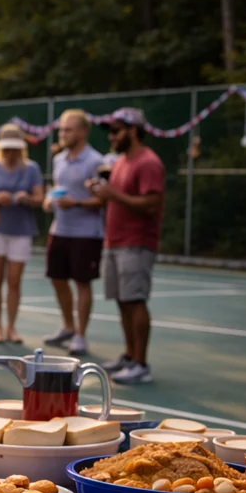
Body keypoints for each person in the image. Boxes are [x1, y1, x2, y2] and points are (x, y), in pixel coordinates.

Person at [90, 107, 165, 385]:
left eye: (116, 131)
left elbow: (151, 204)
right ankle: (130, 356)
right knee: (123, 300)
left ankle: (141, 364)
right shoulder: (121, 162)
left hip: (136, 241)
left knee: (135, 300)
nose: (111, 137)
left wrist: (113, 195)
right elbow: (116, 197)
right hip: (115, 240)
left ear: (133, 130)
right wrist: (101, 193)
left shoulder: (148, 162)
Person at [42, 109, 105, 356]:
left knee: (82, 283)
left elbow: (102, 200)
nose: (63, 133)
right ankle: (68, 326)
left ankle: (80, 335)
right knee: (57, 278)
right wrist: (50, 199)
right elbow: (58, 189)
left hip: (86, 233)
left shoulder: (95, 161)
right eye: (61, 129)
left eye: (68, 129)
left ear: (82, 131)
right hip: (60, 230)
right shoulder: (59, 159)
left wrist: (76, 203)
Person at [0, 124, 43, 344]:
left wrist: (24, 198)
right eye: (6, 149)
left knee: (14, 281)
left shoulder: (31, 169)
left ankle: (12, 327)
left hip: (21, 229)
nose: (10, 153)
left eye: (14, 149)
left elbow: (40, 198)